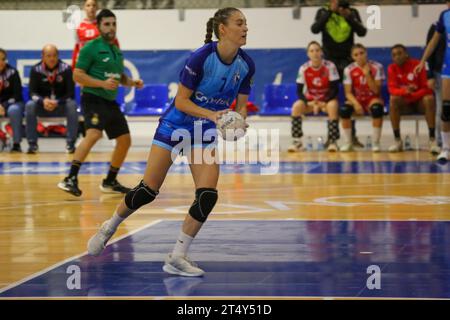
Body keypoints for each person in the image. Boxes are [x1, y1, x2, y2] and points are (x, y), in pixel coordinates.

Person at [87, 7, 255, 277]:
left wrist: (237, 122)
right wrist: (213, 115)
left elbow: (242, 106)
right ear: (222, 29)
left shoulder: (246, 64)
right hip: (175, 125)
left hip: (203, 131)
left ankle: (177, 256)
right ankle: (110, 226)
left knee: (207, 195)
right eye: (239, 23)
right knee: (147, 191)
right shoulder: (201, 58)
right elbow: (181, 101)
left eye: (246, 23)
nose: (245, 28)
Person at [58, 9, 143, 196]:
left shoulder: (115, 50)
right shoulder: (90, 48)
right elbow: (77, 74)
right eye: (107, 24)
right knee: (94, 134)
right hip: (92, 98)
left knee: (125, 140)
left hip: (110, 102)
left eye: (114, 24)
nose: (111, 27)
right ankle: (70, 178)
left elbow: (118, 76)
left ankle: (110, 181)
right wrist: (101, 83)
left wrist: (132, 83)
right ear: (98, 26)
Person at [311, 0, 367, 148]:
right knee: (331, 99)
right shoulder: (323, 11)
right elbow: (315, 29)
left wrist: (348, 17)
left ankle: (352, 136)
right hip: (329, 61)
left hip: (349, 61)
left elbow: (362, 32)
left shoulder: (351, 12)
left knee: (351, 98)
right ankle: (332, 137)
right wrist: (330, 11)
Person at [288, 41, 340, 152]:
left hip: (327, 100)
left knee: (333, 106)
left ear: (321, 52)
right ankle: (297, 141)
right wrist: (310, 102)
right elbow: (299, 91)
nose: (315, 53)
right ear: (308, 54)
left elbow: (335, 89)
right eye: (312, 51)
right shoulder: (304, 68)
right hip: (311, 101)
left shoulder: (330, 66)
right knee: (297, 106)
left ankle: (332, 141)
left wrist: (323, 102)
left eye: (317, 50)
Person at [25, 45, 78, 154]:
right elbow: (32, 93)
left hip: (61, 106)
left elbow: (70, 93)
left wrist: (57, 102)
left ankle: (71, 143)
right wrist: (42, 101)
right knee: (30, 105)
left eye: (54, 55)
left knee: (72, 105)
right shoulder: (36, 70)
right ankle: (32, 144)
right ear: (43, 57)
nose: (52, 59)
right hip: (42, 106)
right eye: (48, 56)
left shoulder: (66, 69)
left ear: (58, 56)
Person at [387, 44, 439, 154]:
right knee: (393, 100)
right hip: (405, 104)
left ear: (406, 54)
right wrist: (405, 91)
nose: (397, 57)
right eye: (394, 55)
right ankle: (397, 141)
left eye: (400, 53)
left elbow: (427, 88)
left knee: (429, 99)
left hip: (419, 103)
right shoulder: (391, 68)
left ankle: (432, 140)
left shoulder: (417, 65)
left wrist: (411, 95)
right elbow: (392, 89)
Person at [416, 1, 450, 162]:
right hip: (447, 67)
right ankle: (445, 148)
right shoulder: (444, 16)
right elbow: (433, 41)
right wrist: (423, 61)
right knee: (446, 108)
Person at [340, 44, 385, 152]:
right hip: (357, 98)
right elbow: (348, 93)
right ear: (353, 57)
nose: (359, 56)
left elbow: (376, 91)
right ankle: (348, 142)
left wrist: (367, 75)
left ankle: (376, 143)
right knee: (344, 110)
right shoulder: (348, 69)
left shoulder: (377, 67)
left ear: (366, 53)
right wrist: (356, 104)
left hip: (372, 98)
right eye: (356, 55)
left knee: (377, 109)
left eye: (361, 53)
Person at [72, 0, 120, 69]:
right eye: (88, 5)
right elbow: (77, 48)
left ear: (97, 7)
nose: (91, 8)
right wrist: (73, 67)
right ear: (84, 8)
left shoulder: (104, 24)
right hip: (85, 64)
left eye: (94, 5)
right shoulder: (79, 27)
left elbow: (114, 44)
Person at [426, 21, 446, 147]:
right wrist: (430, 75)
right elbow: (430, 49)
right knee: (442, 107)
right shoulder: (437, 25)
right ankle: (441, 142)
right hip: (441, 72)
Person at [0, 48, 24, 153]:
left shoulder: (13, 72)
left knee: (14, 110)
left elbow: (17, 95)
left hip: (12, 103)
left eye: (3, 59)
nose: (1, 62)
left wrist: (3, 105)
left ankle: (16, 144)